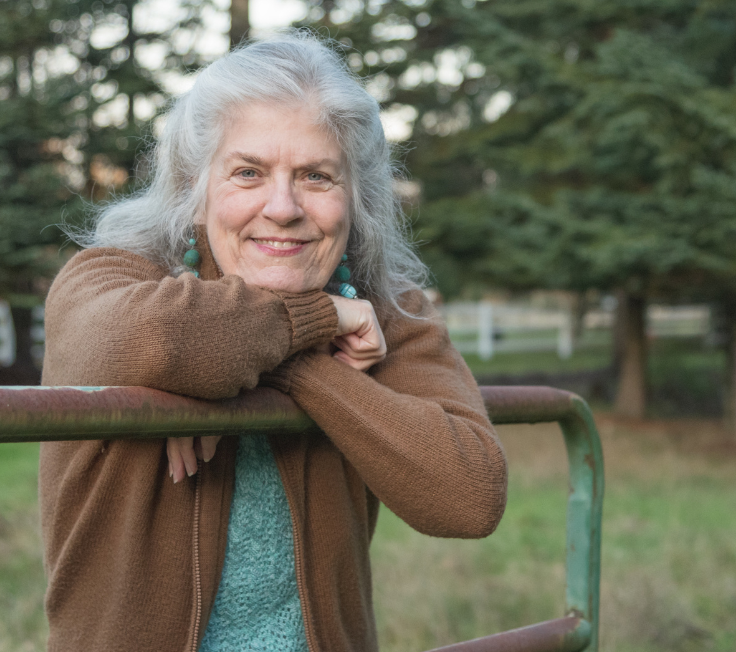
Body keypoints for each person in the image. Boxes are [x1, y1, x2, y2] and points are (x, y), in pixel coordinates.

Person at [39, 33, 507, 652]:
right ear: (195, 189)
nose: (283, 207)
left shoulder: (385, 313)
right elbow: (163, 342)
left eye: (316, 176)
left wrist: (292, 367)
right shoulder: (107, 281)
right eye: (248, 172)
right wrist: (320, 322)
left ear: (355, 198)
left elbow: (470, 496)